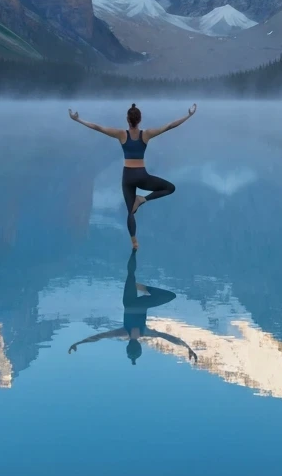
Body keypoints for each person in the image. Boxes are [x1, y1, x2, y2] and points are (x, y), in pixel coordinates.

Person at [68, 101, 197, 248]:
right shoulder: (146, 134)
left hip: (128, 177)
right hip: (142, 176)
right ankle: (142, 199)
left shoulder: (121, 134)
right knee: (170, 188)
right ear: (140, 119)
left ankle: (134, 242)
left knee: (130, 212)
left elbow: (98, 127)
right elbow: (169, 126)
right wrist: (188, 115)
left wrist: (77, 119)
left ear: (127, 120)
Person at [68, 251, 198, 365]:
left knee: (132, 275)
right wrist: (187, 347)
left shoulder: (125, 332)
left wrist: (80, 343)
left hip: (131, 303)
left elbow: (100, 336)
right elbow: (169, 337)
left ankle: (136, 258)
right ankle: (142, 285)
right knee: (167, 294)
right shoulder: (138, 332)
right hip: (136, 303)